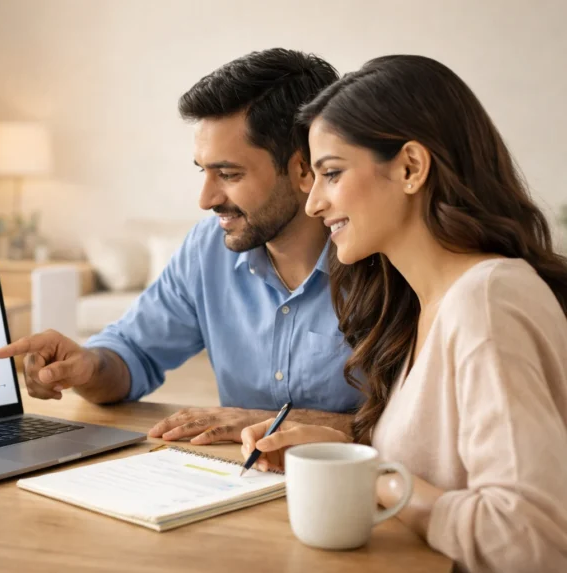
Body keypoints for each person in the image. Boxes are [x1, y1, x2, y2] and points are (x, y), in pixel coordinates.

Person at [241, 55, 567, 572]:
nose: (313, 204)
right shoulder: (427, 304)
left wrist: (372, 479)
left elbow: (529, 538)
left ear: (411, 167)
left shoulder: (488, 302)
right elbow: (443, 471)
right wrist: (350, 454)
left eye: (331, 173)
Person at [0, 48, 363, 445]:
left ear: (304, 169)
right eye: (203, 171)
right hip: (239, 480)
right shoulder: (208, 248)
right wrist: (86, 367)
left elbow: (425, 429)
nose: (205, 199)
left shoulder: (387, 258)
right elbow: (132, 353)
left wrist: (271, 422)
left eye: (228, 174)